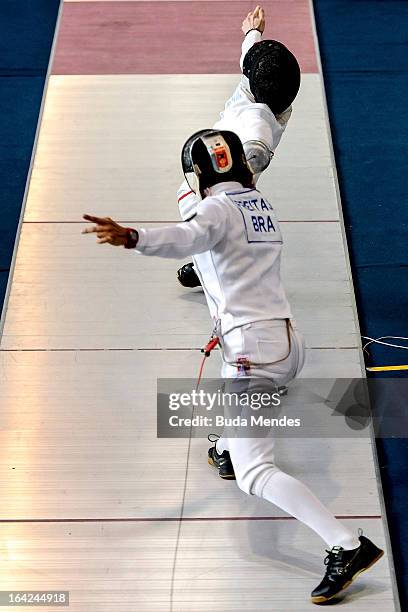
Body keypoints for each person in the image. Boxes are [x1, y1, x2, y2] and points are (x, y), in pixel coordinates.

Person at [82, 129, 384, 604]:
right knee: (239, 409)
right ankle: (227, 446)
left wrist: (133, 237)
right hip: (286, 343)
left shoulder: (215, 210)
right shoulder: (258, 204)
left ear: (198, 173)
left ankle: (345, 545)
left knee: (255, 473)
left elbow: (188, 235)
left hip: (253, 352)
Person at [177, 5, 300, 288]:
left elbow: (257, 148)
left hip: (224, 177)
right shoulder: (261, 88)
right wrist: (252, 32)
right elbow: (250, 57)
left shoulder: (259, 119)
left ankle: (215, 271)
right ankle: (210, 261)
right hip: (221, 163)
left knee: (197, 212)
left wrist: (241, 167)